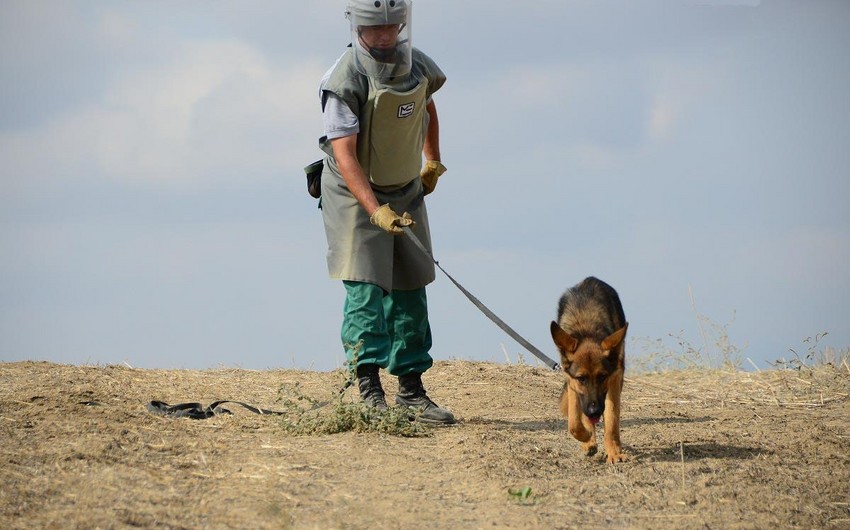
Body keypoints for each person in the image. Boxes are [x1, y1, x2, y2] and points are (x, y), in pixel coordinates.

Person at [315, 0, 454, 424]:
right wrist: (375, 211)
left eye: (394, 26)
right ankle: (369, 391)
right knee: (366, 288)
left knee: (413, 285)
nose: (386, 35)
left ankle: (412, 391)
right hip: (354, 193)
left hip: (404, 188)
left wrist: (431, 161)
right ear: (358, 26)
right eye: (377, 28)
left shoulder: (416, 66)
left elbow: (427, 107)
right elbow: (345, 154)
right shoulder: (345, 79)